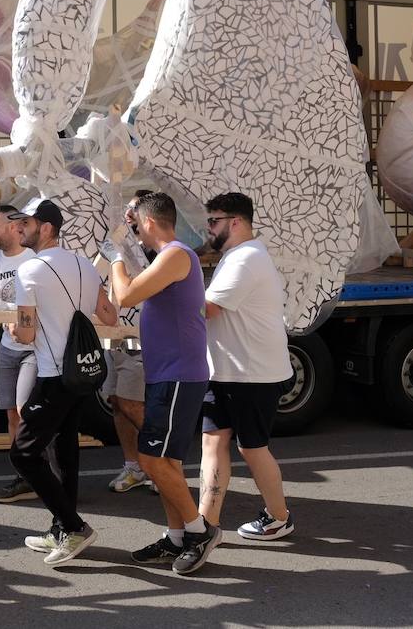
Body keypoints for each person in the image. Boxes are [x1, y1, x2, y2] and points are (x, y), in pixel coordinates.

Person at [103, 192, 219, 575]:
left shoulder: (176, 255)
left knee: (152, 459)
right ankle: (175, 537)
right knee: (167, 461)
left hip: (179, 374)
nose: (134, 228)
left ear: (150, 222)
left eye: (137, 222)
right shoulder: (166, 258)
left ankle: (199, 531)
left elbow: (125, 294)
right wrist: (126, 228)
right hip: (167, 373)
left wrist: (116, 251)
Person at [9, 200, 117, 566]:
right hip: (82, 373)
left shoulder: (29, 271)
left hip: (54, 375)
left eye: (26, 223)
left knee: (23, 453)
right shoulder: (85, 264)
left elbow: (25, 334)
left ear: (48, 228)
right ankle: (61, 528)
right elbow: (109, 314)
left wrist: (11, 326)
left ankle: (73, 527)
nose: (19, 228)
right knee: (64, 449)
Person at [198, 192, 296, 544]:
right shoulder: (234, 256)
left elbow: (207, 308)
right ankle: (205, 525)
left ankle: (279, 517)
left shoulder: (247, 259)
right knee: (213, 441)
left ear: (236, 222)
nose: (208, 228)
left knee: (251, 447)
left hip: (253, 373)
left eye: (214, 221)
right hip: (225, 370)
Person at [0, 204, 38, 504]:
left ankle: (43, 473)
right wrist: (8, 319)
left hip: (37, 349)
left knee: (28, 412)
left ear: (14, 227)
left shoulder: (36, 258)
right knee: (12, 414)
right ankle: (25, 475)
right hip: (8, 348)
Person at [105, 190, 156, 494]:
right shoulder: (122, 248)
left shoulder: (155, 252)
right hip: (115, 339)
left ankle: (161, 462)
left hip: (142, 339)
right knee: (116, 404)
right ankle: (133, 467)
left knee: (132, 403)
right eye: (127, 208)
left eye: (134, 210)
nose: (127, 214)